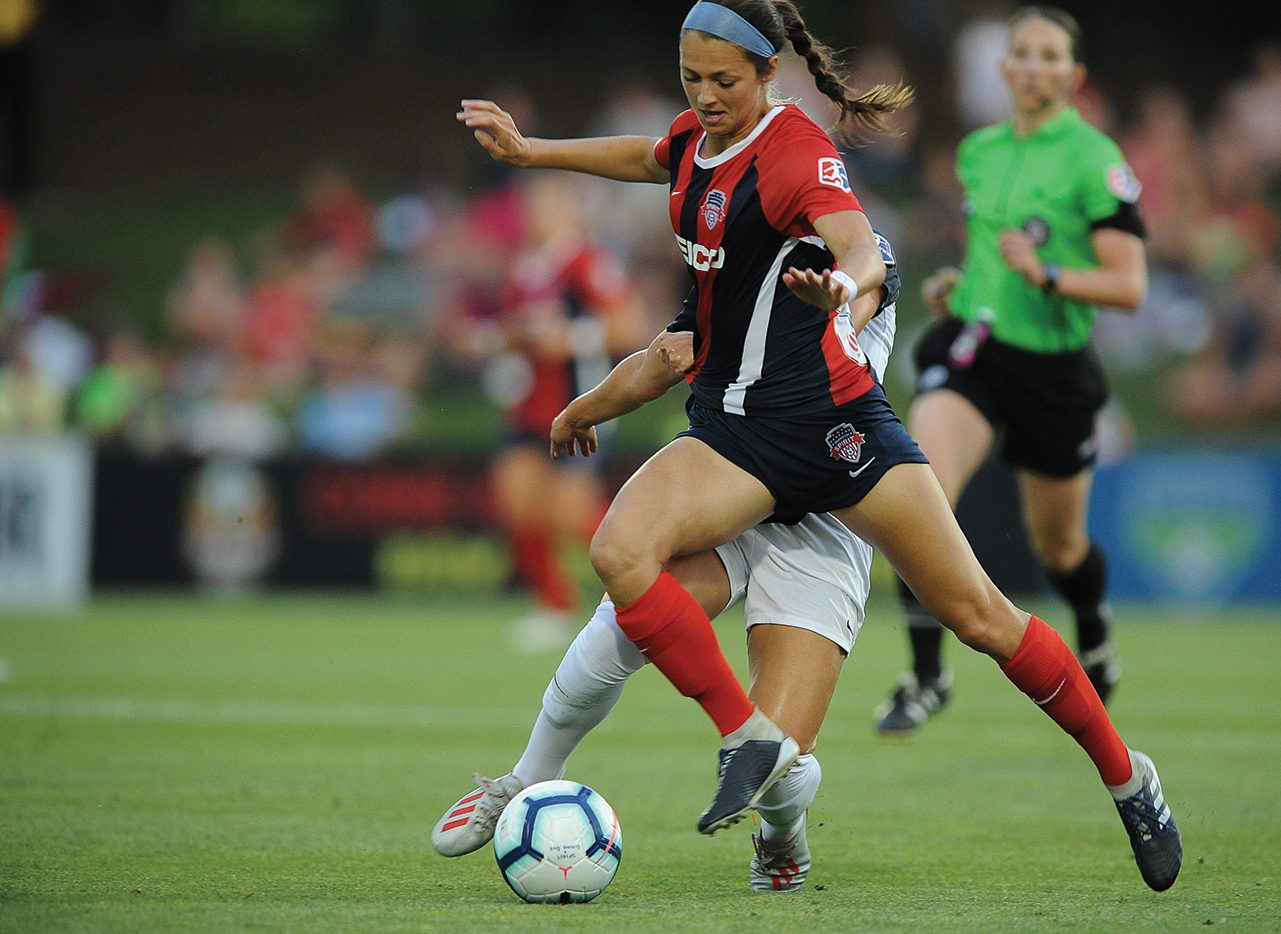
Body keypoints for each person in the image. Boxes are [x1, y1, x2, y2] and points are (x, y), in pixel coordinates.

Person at [456, 0, 1180, 891]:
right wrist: (534, 155)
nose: (707, 96)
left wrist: (840, 287)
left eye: (726, 80)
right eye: (693, 78)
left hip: (836, 447)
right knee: (621, 557)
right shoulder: (697, 147)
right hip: (735, 438)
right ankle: (677, 751)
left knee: (981, 618)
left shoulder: (802, 158)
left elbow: (861, 259)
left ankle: (1129, 777)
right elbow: (653, 167)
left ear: (770, 74)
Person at [433, 248, 901, 893]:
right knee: (622, 611)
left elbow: (851, 306)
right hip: (738, 475)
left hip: (823, 507)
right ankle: (526, 777)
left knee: (781, 765)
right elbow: (667, 351)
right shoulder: (730, 234)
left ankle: (781, 836)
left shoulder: (856, 249)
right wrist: (591, 402)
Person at [874, 6, 1148, 738]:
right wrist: (959, 288)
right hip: (976, 350)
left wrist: (1050, 272)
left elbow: (1128, 285)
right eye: (1021, 52)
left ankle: (1092, 625)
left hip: (1054, 370)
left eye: (1049, 55)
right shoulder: (981, 151)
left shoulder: (1095, 159)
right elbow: (992, 258)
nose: (1033, 65)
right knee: (914, 497)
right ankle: (927, 675)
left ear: (1073, 75)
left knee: (1060, 548)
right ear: (1004, 68)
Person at [487, 174, 646, 649]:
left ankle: (651, 581)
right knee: (516, 503)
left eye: (549, 206)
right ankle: (555, 604)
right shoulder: (522, 270)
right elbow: (513, 335)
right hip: (527, 409)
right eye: (533, 207)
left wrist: (570, 339)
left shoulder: (586, 262)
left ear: (570, 213)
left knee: (568, 515)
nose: (538, 216)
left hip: (578, 406)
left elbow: (630, 327)